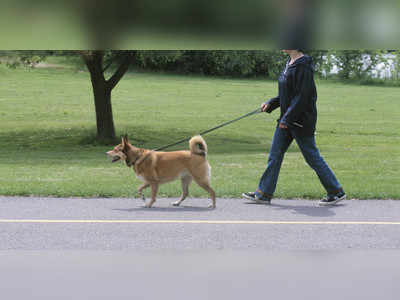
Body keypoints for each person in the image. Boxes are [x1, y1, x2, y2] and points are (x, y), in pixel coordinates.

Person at [242, 50, 345, 206]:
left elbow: (302, 96)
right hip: (287, 119)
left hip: (300, 120)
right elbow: (287, 94)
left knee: (312, 157)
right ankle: (263, 194)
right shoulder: (290, 63)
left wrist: (288, 118)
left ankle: (336, 191)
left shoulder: (304, 66)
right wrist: (271, 103)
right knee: (275, 155)